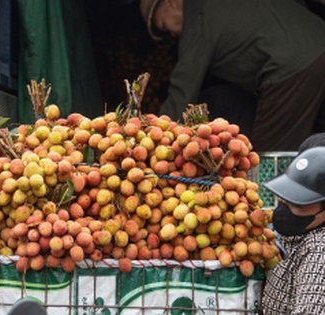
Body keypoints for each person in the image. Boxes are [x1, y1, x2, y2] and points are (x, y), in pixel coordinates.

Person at [139, 0, 325, 151]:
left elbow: (183, 89)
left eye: (164, 26)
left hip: (291, 68)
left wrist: (155, 139)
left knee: (268, 157)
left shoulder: (198, 18)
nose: (171, 34)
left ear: (171, 3)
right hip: (318, 43)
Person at [261, 146, 325, 314]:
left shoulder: (319, 249)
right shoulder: (299, 239)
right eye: (284, 197)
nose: (284, 206)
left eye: (297, 203)